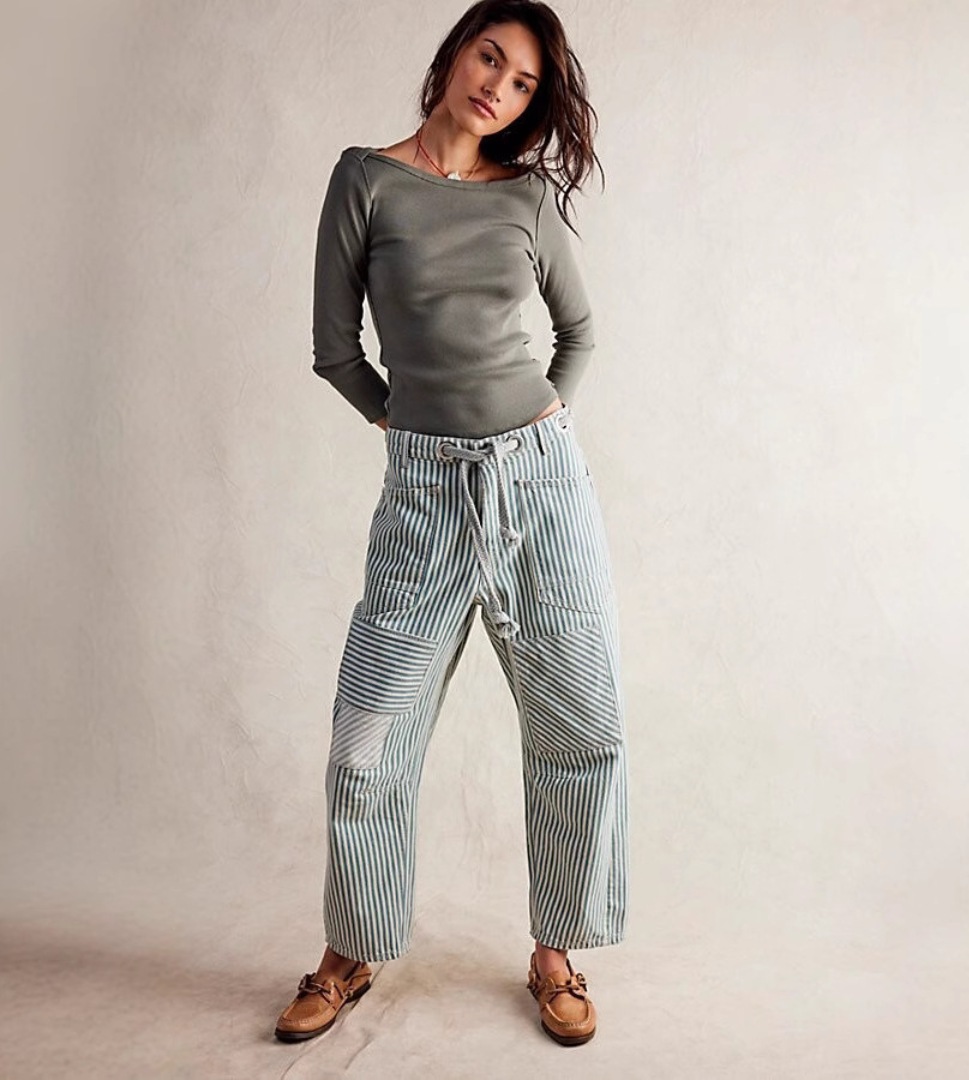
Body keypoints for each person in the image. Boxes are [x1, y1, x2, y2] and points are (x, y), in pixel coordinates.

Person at [274, 0, 628, 1048]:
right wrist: (407, 425)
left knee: (580, 725)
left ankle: (557, 951)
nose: (498, 89)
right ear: (455, 51)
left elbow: (579, 332)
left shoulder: (525, 198)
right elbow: (336, 349)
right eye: (490, 58)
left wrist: (544, 420)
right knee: (368, 735)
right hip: (424, 490)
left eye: (523, 84)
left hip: (542, 486)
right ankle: (353, 948)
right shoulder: (365, 181)